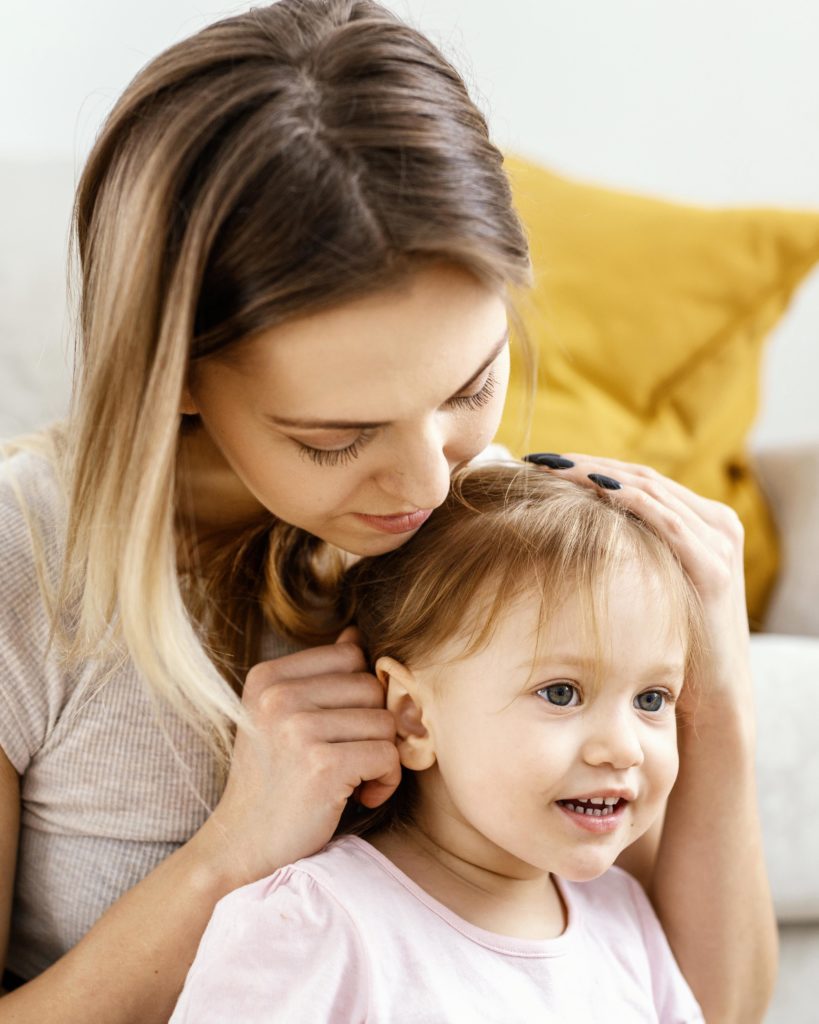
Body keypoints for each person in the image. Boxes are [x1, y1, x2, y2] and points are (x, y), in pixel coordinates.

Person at [0, 1, 775, 1022]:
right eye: (336, 437)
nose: (428, 486)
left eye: (469, 387)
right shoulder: (29, 564)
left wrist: (712, 699)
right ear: (174, 373)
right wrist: (231, 855)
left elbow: (694, 1002)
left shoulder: (487, 537)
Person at [171, 462, 706, 1022]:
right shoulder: (314, 923)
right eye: (562, 693)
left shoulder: (625, 922)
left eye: (651, 699)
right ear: (413, 718)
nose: (623, 750)